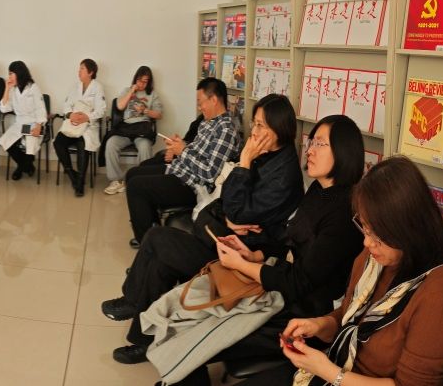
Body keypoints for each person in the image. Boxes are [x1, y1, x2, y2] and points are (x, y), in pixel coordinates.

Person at [162, 114, 368, 385]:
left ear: (343, 152)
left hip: (305, 314)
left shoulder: (344, 212)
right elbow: (291, 243)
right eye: (311, 142)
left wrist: (243, 265)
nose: (310, 150)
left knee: (201, 329)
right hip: (281, 287)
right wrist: (254, 255)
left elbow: (300, 281)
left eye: (320, 144)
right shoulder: (318, 190)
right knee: (190, 314)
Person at [103, 94, 303, 364]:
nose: (254, 132)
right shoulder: (266, 156)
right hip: (224, 239)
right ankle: (143, 337)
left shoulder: (283, 174)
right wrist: (228, 215)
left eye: (261, 126)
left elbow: (236, 210)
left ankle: (133, 302)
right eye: (254, 124)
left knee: (157, 238)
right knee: (160, 261)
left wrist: (243, 164)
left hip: (240, 259)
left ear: (280, 128)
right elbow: (225, 198)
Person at [238, 158, 443, 385]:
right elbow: (349, 316)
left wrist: (328, 372)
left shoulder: (436, 292)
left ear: (408, 229)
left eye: (377, 234)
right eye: (364, 227)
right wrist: (318, 325)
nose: (367, 242)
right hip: (337, 364)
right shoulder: (375, 256)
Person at [123, 77, 240, 247]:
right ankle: (151, 227)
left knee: (136, 186)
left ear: (214, 99)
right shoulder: (209, 122)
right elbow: (199, 151)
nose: (199, 107)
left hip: (193, 185)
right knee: (132, 174)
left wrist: (183, 151)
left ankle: (146, 243)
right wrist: (181, 145)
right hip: (183, 170)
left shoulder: (225, 130)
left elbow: (210, 173)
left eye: (200, 102)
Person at [103, 66, 163, 195]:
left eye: (145, 81)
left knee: (145, 147)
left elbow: (159, 114)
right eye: (139, 80)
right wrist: (131, 91)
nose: (141, 84)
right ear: (135, 79)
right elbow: (119, 106)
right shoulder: (127, 90)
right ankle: (116, 181)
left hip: (142, 129)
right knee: (111, 143)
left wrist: (145, 110)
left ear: (149, 82)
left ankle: (141, 181)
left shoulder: (152, 94)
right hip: (125, 128)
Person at [53, 58, 106, 197]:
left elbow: (101, 110)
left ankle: (80, 181)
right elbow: (66, 105)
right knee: (58, 142)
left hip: (88, 126)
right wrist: (71, 115)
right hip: (73, 124)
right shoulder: (75, 87)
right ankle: (72, 174)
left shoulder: (97, 87)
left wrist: (87, 117)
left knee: (83, 143)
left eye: (82, 69)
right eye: (79, 68)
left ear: (91, 72)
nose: (79, 71)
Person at [0, 61, 47, 181]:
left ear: (19, 73)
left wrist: (39, 125)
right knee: (6, 142)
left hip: (34, 123)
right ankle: (27, 166)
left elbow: (40, 108)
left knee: (30, 146)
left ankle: (22, 167)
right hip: (19, 123)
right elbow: (4, 108)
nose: (9, 77)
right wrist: (7, 89)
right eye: (9, 74)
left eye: (11, 74)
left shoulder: (33, 87)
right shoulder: (12, 89)